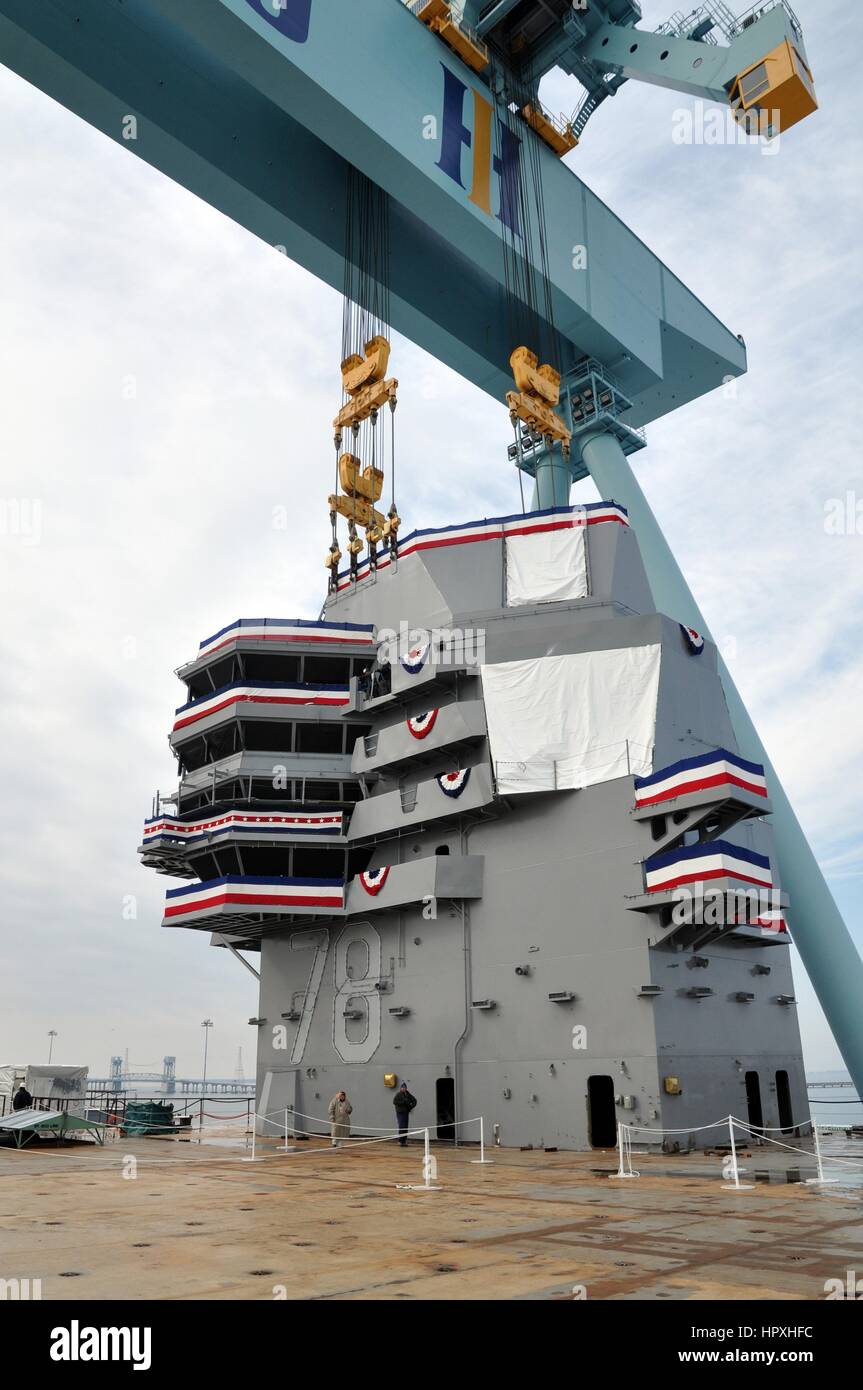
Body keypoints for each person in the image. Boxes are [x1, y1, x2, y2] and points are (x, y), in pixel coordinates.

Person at [392, 1081, 416, 1146]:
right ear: (401, 1088)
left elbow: (414, 1100)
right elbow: (394, 1102)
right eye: (402, 1087)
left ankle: (404, 1140)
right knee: (402, 1126)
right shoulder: (398, 1094)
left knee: (405, 1127)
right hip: (400, 1112)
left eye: (404, 1087)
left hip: (406, 1112)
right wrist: (403, 1102)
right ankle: (400, 1140)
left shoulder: (407, 1094)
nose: (403, 1088)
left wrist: (410, 1107)